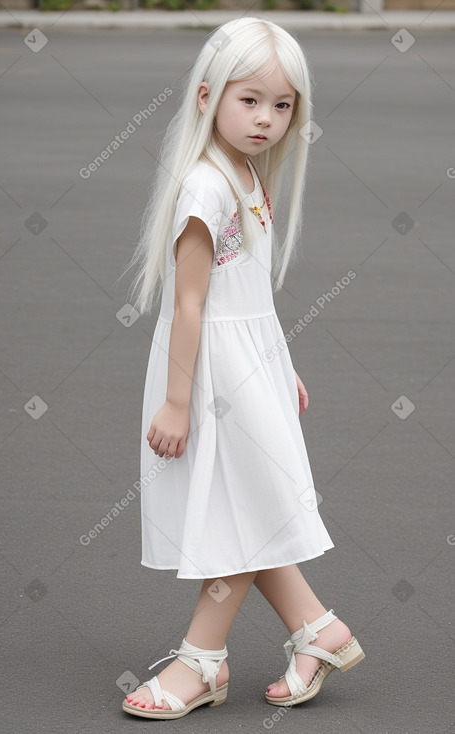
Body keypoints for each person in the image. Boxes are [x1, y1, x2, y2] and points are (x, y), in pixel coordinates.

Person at [120, 16, 365, 720]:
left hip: (239, 368)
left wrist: (275, 363)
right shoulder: (205, 187)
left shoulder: (245, 176)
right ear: (206, 97)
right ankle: (318, 630)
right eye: (249, 99)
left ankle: (202, 660)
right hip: (206, 375)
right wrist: (175, 401)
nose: (266, 119)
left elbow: (248, 292)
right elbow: (190, 305)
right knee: (242, 507)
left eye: (282, 105)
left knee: (235, 513)